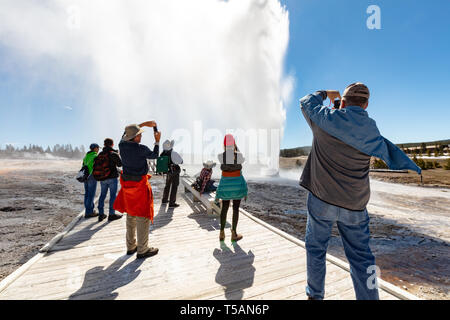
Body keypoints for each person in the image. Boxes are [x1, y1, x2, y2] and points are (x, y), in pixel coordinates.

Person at [299, 83, 421, 300]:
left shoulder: (325, 120)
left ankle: (314, 295)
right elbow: (384, 149)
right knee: (362, 258)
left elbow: (306, 101)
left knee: (316, 249)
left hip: (321, 199)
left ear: (343, 102)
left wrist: (327, 94)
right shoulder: (371, 130)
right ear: (366, 105)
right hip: (355, 205)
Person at [113, 121, 160, 259]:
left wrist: (142, 125)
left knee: (131, 215)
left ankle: (131, 246)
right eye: (139, 134)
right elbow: (155, 155)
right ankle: (142, 249)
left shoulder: (122, 145)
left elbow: (124, 135)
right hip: (139, 186)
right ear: (135, 138)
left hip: (127, 186)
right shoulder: (141, 149)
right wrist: (157, 141)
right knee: (142, 216)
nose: (141, 137)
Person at [215, 134, 248, 242]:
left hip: (225, 187)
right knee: (235, 209)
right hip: (237, 186)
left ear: (224, 144)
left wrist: (229, 149)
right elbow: (241, 159)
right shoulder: (239, 155)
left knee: (224, 208)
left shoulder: (220, 156)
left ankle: (221, 232)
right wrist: (235, 148)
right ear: (234, 143)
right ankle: (234, 233)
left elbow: (226, 156)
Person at [97, 138, 123, 222]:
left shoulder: (100, 154)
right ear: (112, 144)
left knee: (102, 195)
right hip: (112, 178)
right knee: (112, 196)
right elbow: (120, 164)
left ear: (104, 145)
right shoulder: (113, 153)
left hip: (103, 178)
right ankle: (111, 214)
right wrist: (118, 154)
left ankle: (101, 214)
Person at [160, 140, 184, 208]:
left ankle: (164, 200)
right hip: (174, 171)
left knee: (167, 186)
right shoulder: (173, 153)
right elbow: (181, 161)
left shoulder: (162, 153)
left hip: (167, 172)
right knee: (174, 186)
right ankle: (172, 203)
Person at [83, 143, 99, 218]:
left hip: (85, 177)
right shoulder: (95, 156)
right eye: (98, 148)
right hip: (92, 176)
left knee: (87, 194)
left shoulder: (86, 156)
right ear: (95, 148)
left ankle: (88, 211)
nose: (98, 149)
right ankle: (89, 212)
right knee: (91, 195)